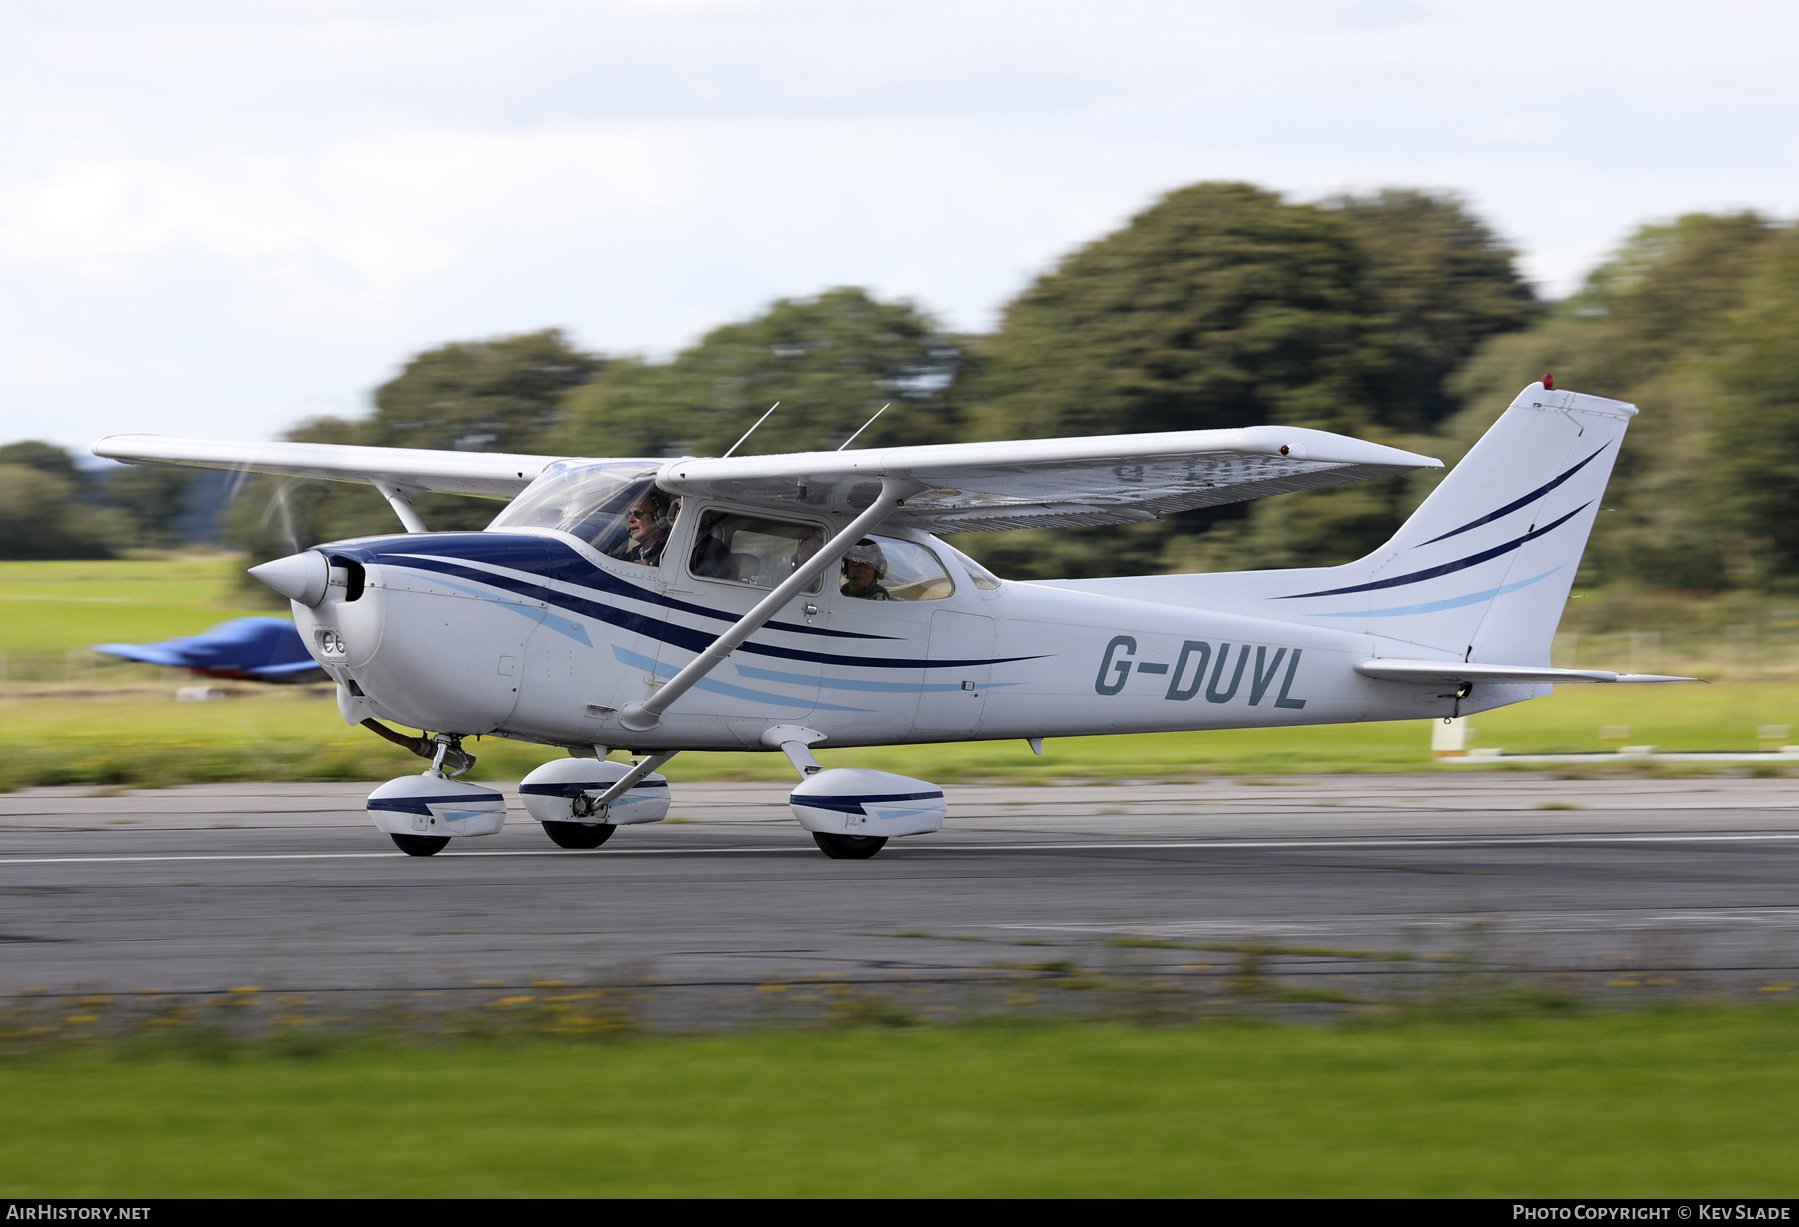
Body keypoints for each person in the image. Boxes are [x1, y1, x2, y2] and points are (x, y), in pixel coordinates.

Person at [614, 490, 672, 566]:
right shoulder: (631, 555)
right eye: (629, 514)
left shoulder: (671, 553)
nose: (630, 519)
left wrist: (652, 570)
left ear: (658, 516)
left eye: (637, 513)